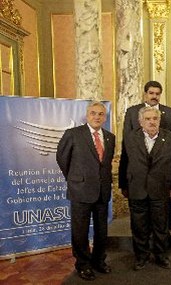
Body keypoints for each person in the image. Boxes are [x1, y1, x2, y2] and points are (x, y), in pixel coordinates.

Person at [56, 101, 116, 281]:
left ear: (104, 117)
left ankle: (99, 260)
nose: (97, 117)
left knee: (101, 229)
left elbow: (105, 164)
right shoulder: (73, 134)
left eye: (100, 114)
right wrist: (75, 178)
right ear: (87, 115)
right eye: (93, 113)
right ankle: (82, 264)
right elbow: (62, 159)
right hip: (80, 190)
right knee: (80, 230)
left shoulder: (109, 137)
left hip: (102, 191)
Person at [119, 107, 171, 271]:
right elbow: (124, 161)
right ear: (140, 122)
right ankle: (141, 257)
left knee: (161, 226)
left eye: (154, 119)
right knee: (139, 226)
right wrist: (123, 184)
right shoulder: (130, 137)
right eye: (148, 119)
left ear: (159, 120)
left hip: (161, 188)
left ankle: (161, 256)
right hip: (136, 187)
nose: (151, 121)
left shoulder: (170, 137)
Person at [122, 81, 171, 235]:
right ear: (145, 94)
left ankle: (167, 237)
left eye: (157, 94)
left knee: (163, 220)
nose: (154, 96)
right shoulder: (132, 112)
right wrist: (124, 182)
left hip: (161, 178)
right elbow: (126, 148)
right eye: (151, 93)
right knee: (140, 223)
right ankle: (142, 255)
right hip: (138, 178)